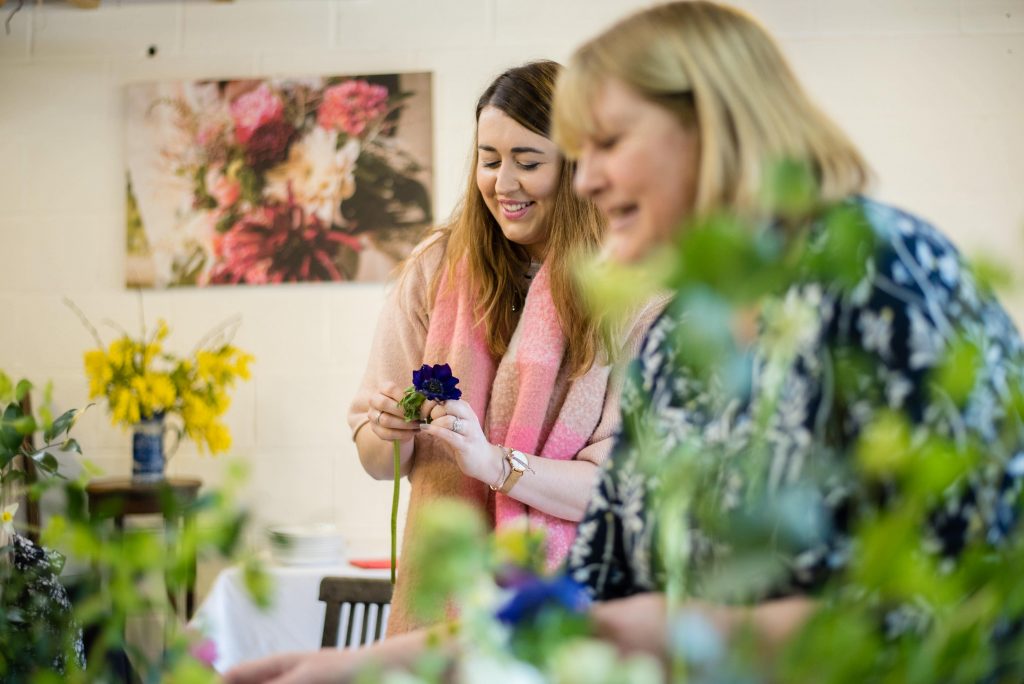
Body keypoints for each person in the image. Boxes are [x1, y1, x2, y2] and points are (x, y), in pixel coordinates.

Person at [226, 2, 1024, 681]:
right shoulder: (687, 338)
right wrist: (363, 666)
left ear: (707, 129)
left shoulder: (877, 273)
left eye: (607, 144)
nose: (585, 181)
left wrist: (669, 630)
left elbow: (967, 599)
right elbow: (594, 593)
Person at [346, 60, 662, 636]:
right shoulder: (434, 271)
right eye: (489, 160)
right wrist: (386, 431)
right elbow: (373, 458)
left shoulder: (633, 292)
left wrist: (495, 465)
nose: (502, 183)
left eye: (528, 162)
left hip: (573, 613)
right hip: (441, 599)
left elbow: (621, 487)